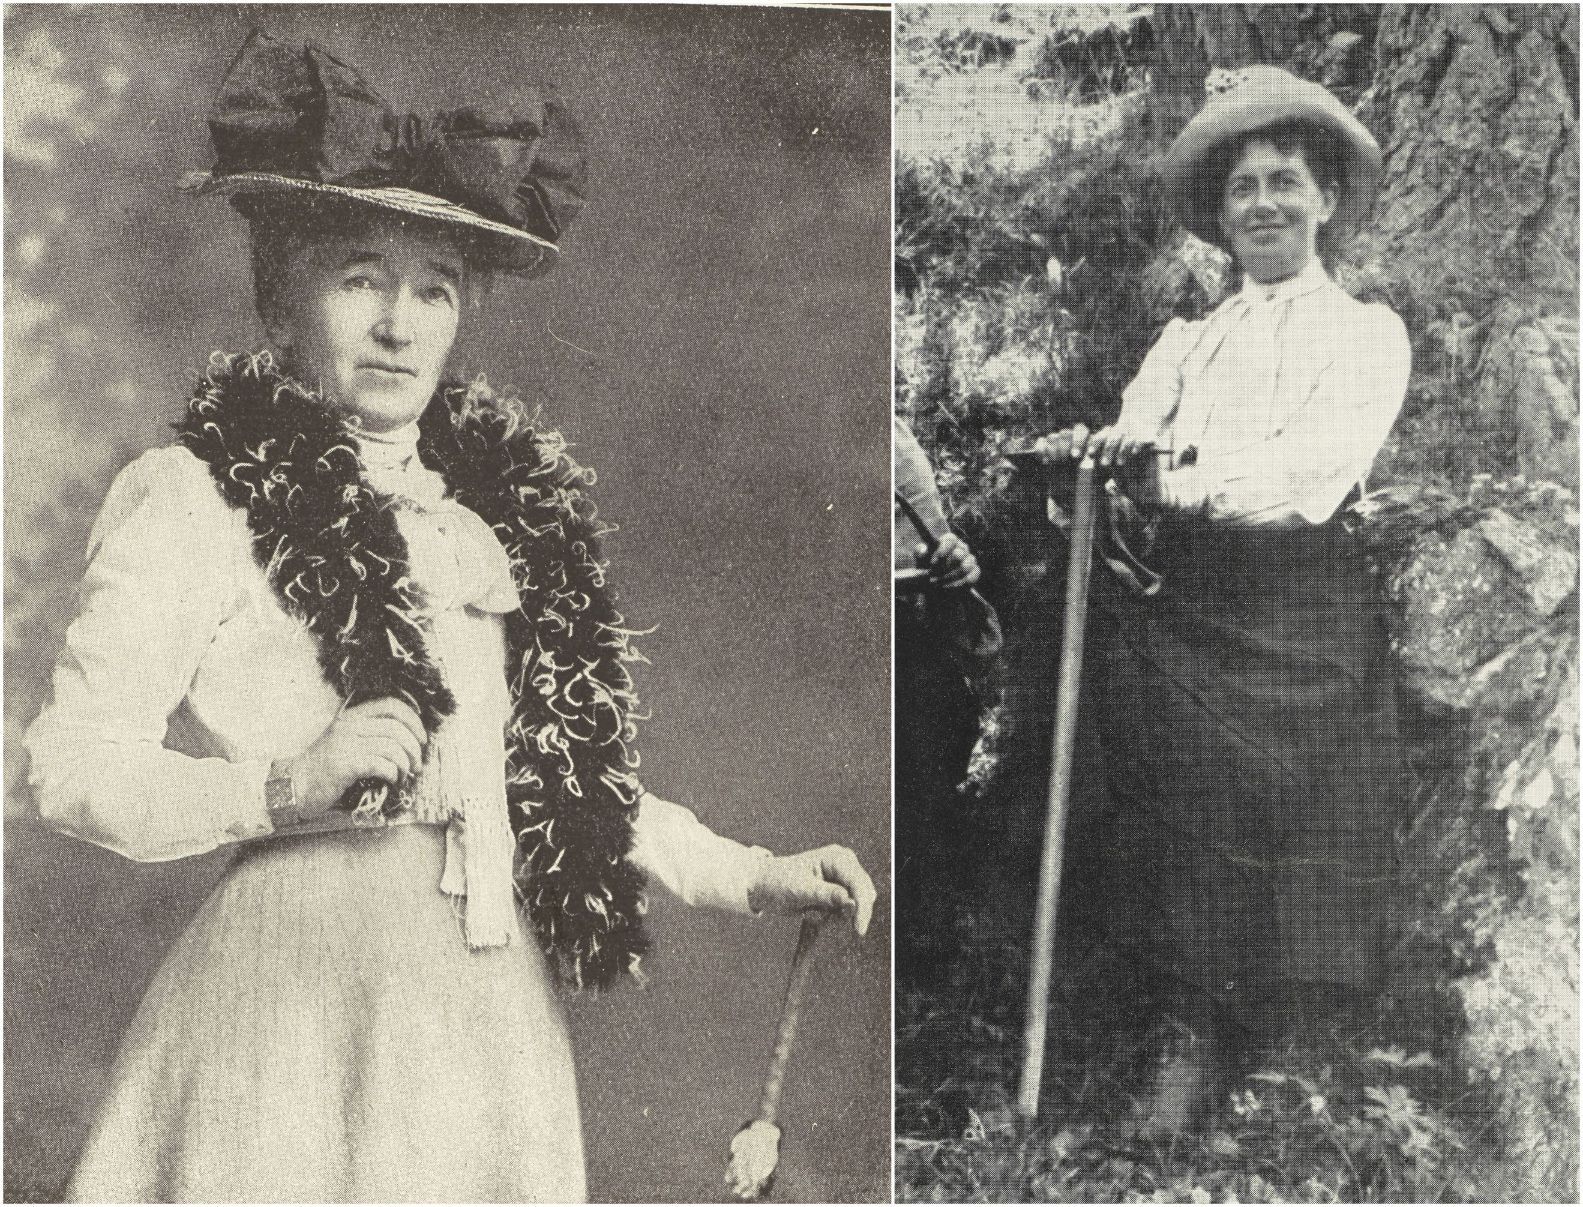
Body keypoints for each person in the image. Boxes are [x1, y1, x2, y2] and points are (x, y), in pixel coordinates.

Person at [22, 33, 875, 1203]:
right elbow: (68, 769)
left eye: (432, 289)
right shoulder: (196, 494)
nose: (398, 323)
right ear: (281, 297)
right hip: (291, 1005)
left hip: (481, 1013)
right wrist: (280, 785)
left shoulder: (491, 519)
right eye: (359, 276)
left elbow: (546, 780)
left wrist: (751, 873)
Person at [1035, 66, 1410, 1132]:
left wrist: (1175, 477)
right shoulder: (1182, 343)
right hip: (1185, 598)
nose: (1260, 204)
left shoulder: (1364, 334)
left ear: (1325, 199)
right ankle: (1179, 1019)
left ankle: (1268, 1033)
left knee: (1241, 764)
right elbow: (1131, 457)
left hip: (1300, 618)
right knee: (1123, 716)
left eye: (1282, 181)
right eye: (1240, 186)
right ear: (1217, 213)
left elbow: (1308, 482)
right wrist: (1102, 469)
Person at [893, 415, 1000, 979]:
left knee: (928, 710)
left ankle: (914, 906)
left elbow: (941, 576)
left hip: (890, 644)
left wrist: (954, 567)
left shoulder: (889, 443)